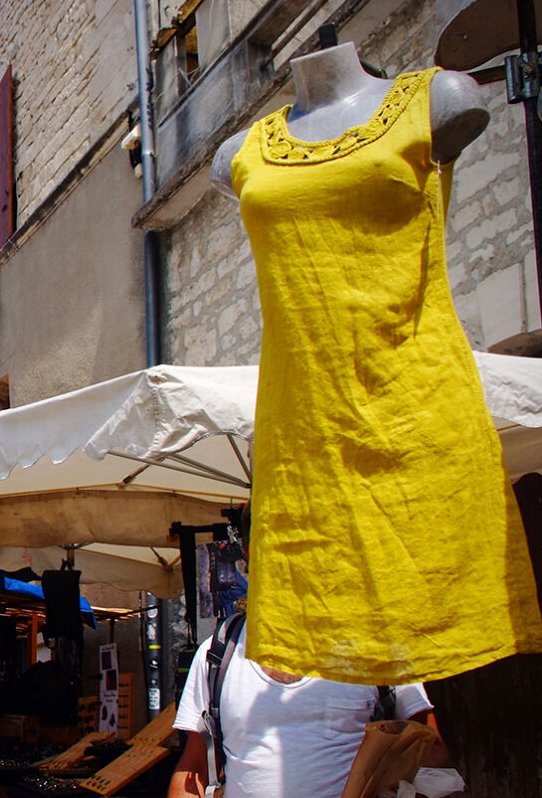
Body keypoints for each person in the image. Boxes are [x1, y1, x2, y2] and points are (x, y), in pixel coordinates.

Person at [208, 41, 541, 685]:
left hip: (418, 410)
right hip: (309, 440)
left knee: (456, 617)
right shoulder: (238, 156)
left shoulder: (440, 101)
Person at [153, 512, 446, 798]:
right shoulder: (218, 653)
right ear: (250, 550)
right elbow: (193, 770)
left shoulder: (374, 645)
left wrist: (405, 795)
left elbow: (430, 751)